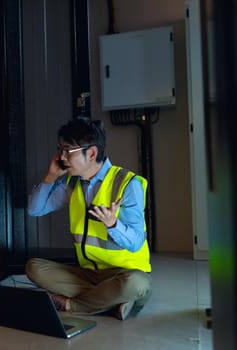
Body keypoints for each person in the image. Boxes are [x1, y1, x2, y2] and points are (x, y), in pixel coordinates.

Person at [25, 118, 151, 320]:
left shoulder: (128, 184)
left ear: (91, 153)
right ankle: (108, 302)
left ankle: (72, 304)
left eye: (68, 151)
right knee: (34, 268)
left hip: (124, 274)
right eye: (61, 150)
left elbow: (136, 242)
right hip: (88, 275)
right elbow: (35, 209)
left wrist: (113, 224)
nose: (62, 157)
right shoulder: (72, 184)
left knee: (136, 284)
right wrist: (50, 176)